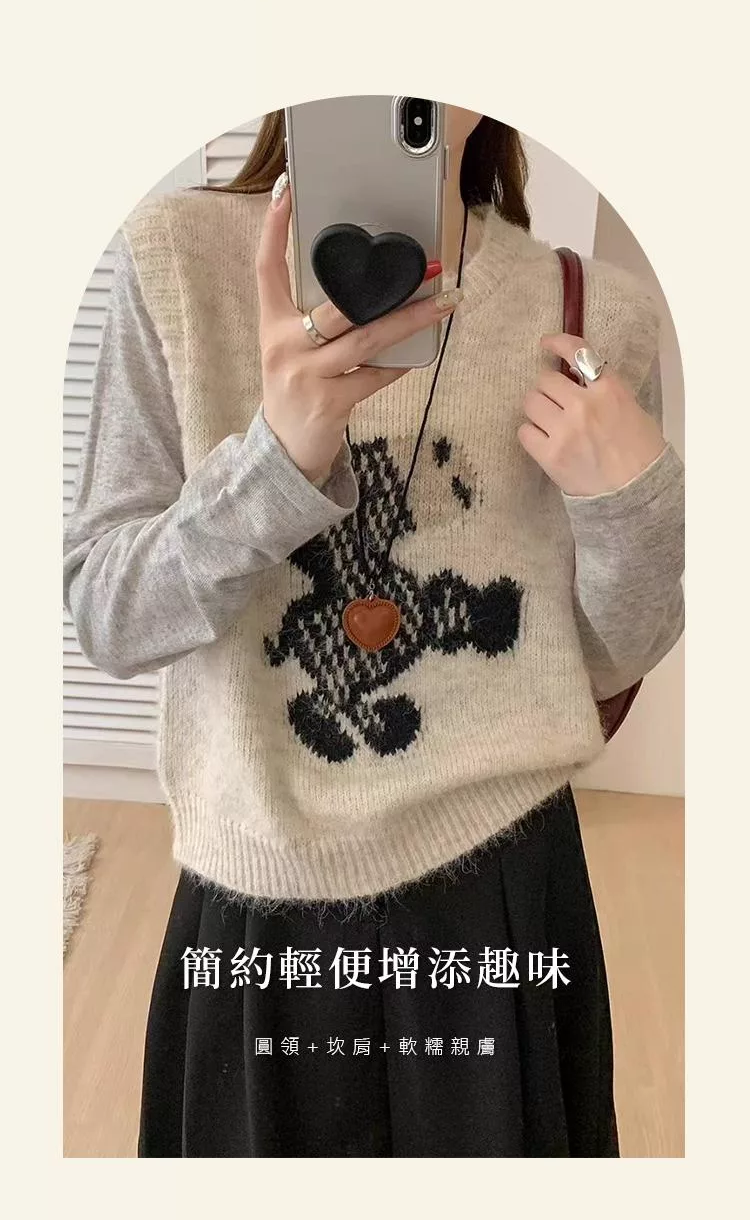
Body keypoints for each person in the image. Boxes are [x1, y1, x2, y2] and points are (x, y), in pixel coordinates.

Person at [63, 103, 685, 1157]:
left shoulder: (596, 314)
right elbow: (110, 617)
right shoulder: (174, 262)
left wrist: (632, 504)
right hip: (262, 887)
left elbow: (601, 660)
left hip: (504, 880)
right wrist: (274, 462)